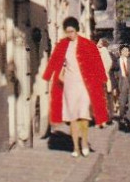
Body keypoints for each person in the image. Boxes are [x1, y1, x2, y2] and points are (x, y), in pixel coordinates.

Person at [42, 17, 108, 156]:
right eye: (67, 32)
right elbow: (55, 63)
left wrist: (102, 80)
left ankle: (84, 142)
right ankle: (75, 147)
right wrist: (56, 78)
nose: (69, 35)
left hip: (84, 85)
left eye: (71, 31)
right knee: (72, 116)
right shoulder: (62, 46)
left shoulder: (87, 44)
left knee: (83, 115)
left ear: (77, 30)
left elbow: (96, 63)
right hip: (70, 86)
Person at [113, 44, 130, 132]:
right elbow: (115, 75)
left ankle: (128, 122)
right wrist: (115, 87)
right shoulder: (117, 62)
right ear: (120, 52)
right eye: (124, 51)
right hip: (121, 84)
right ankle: (121, 120)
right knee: (122, 104)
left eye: (127, 51)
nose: (126, 52)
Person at [97, 37, 114, 124]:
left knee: (105, 98)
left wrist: (103, 71)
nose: (98, 43)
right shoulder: (98, 50)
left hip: (102, 77)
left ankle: (106, 117)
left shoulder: (103, 50)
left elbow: (109, 63)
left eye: (99, 42)